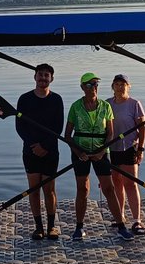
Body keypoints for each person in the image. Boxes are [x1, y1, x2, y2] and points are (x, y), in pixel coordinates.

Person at [64, 72, 126, 239]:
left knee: (108, 189)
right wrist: (79, 153)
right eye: (90, 85)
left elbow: (110, 134)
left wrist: (101, 152)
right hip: (80, 152)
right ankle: (79, 227)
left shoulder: (105, 106)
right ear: (82, 87)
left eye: (96, 84)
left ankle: (121, 226)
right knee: (82, 189)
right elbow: (67, 135)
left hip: (101, 152)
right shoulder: (75, 107)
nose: (94, 87)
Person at [16, 63, 65, 240]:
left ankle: (51, 227)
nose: (43, 78)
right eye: (40, 75)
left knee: (49, 190)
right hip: (30, 151)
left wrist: (44, 146)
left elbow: (58, 127)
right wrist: (33, 145)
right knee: (34, 189)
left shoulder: (56, 99)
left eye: (46, 75)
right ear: (35, 77)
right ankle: (38, 227)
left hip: (50, 151)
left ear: (51, 79)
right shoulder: (24, 99)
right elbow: (20, 127)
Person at [108, 74, 145, 234]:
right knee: (116, 183)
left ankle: (137, 220)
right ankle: (120, 216)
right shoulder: (107, 104)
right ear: (113, 87)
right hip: (112, 149)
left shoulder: (134, 104)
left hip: (130, 148)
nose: (120, 87)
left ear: (128, 86)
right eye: (117, 84)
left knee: (130, 184)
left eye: (123, 84)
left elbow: (143, 128)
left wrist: (141, 149)